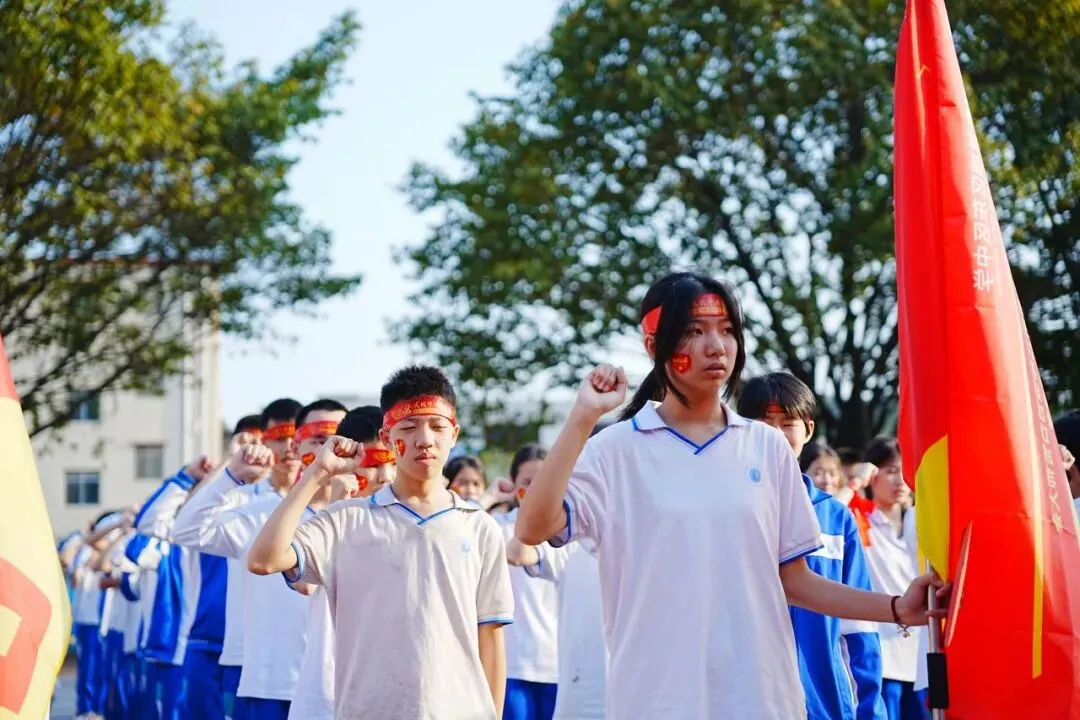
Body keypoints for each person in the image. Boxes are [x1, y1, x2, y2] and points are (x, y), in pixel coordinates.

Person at [514, 271, 948, 720]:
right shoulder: (615, 451)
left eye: (726, 331)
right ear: (653, 346)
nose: (715, 346)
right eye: (692, 332)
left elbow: (795, 582)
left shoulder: (766, 446)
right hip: (654, 701)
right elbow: (533, 526)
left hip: (763, 699)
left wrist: (897, 608)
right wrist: (584, 417)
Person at [246, 365, 515, 719]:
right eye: (408, 428)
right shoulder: (346, 521)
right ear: (387, 438)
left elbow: (491, 639)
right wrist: (317, 474)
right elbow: (264, 560)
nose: (424, 440)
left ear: (454, 434)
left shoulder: (480, 527)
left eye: (437, 427)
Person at [172, 398, 346, 720]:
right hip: (270, 685)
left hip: (341, 689)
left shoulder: (365, 517)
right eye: (319, 440)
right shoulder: (262, 515)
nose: (329, 451)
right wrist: (231, 474)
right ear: (297, 445)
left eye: (338, 440)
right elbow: (185, 531)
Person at [739, 372, 887, 720]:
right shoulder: (721, 511)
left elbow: (859, 628)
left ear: (807, 430)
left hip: (823, 704)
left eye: (787, 423)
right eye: (763, 422)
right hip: (742, 700)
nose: (775, 434)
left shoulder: (836, 519)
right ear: (741, 430)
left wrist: (870, 709)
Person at [287, 405, 397, 720]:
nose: (385, 476)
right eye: (375, 464)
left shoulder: (418, 521)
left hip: (393, 697)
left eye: (392, 463)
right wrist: (336, 505)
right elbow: (304, 583)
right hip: (325, 697)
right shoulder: (330, 518)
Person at [859, 437, 927, 720]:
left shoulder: (920, 520)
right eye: (889, 470)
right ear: (872, 475)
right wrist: (855, 482)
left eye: (904, 470)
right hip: (882, 658)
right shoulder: (860, 519)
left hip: (922, 655)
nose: (899, 479)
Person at [493, 444, 559, 720]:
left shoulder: (567, 533)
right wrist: (491, 495)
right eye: (526, 484)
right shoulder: (498, 527)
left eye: (542, 482)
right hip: (515, 666)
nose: (534, 491)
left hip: (558, 665)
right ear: (513, 487)